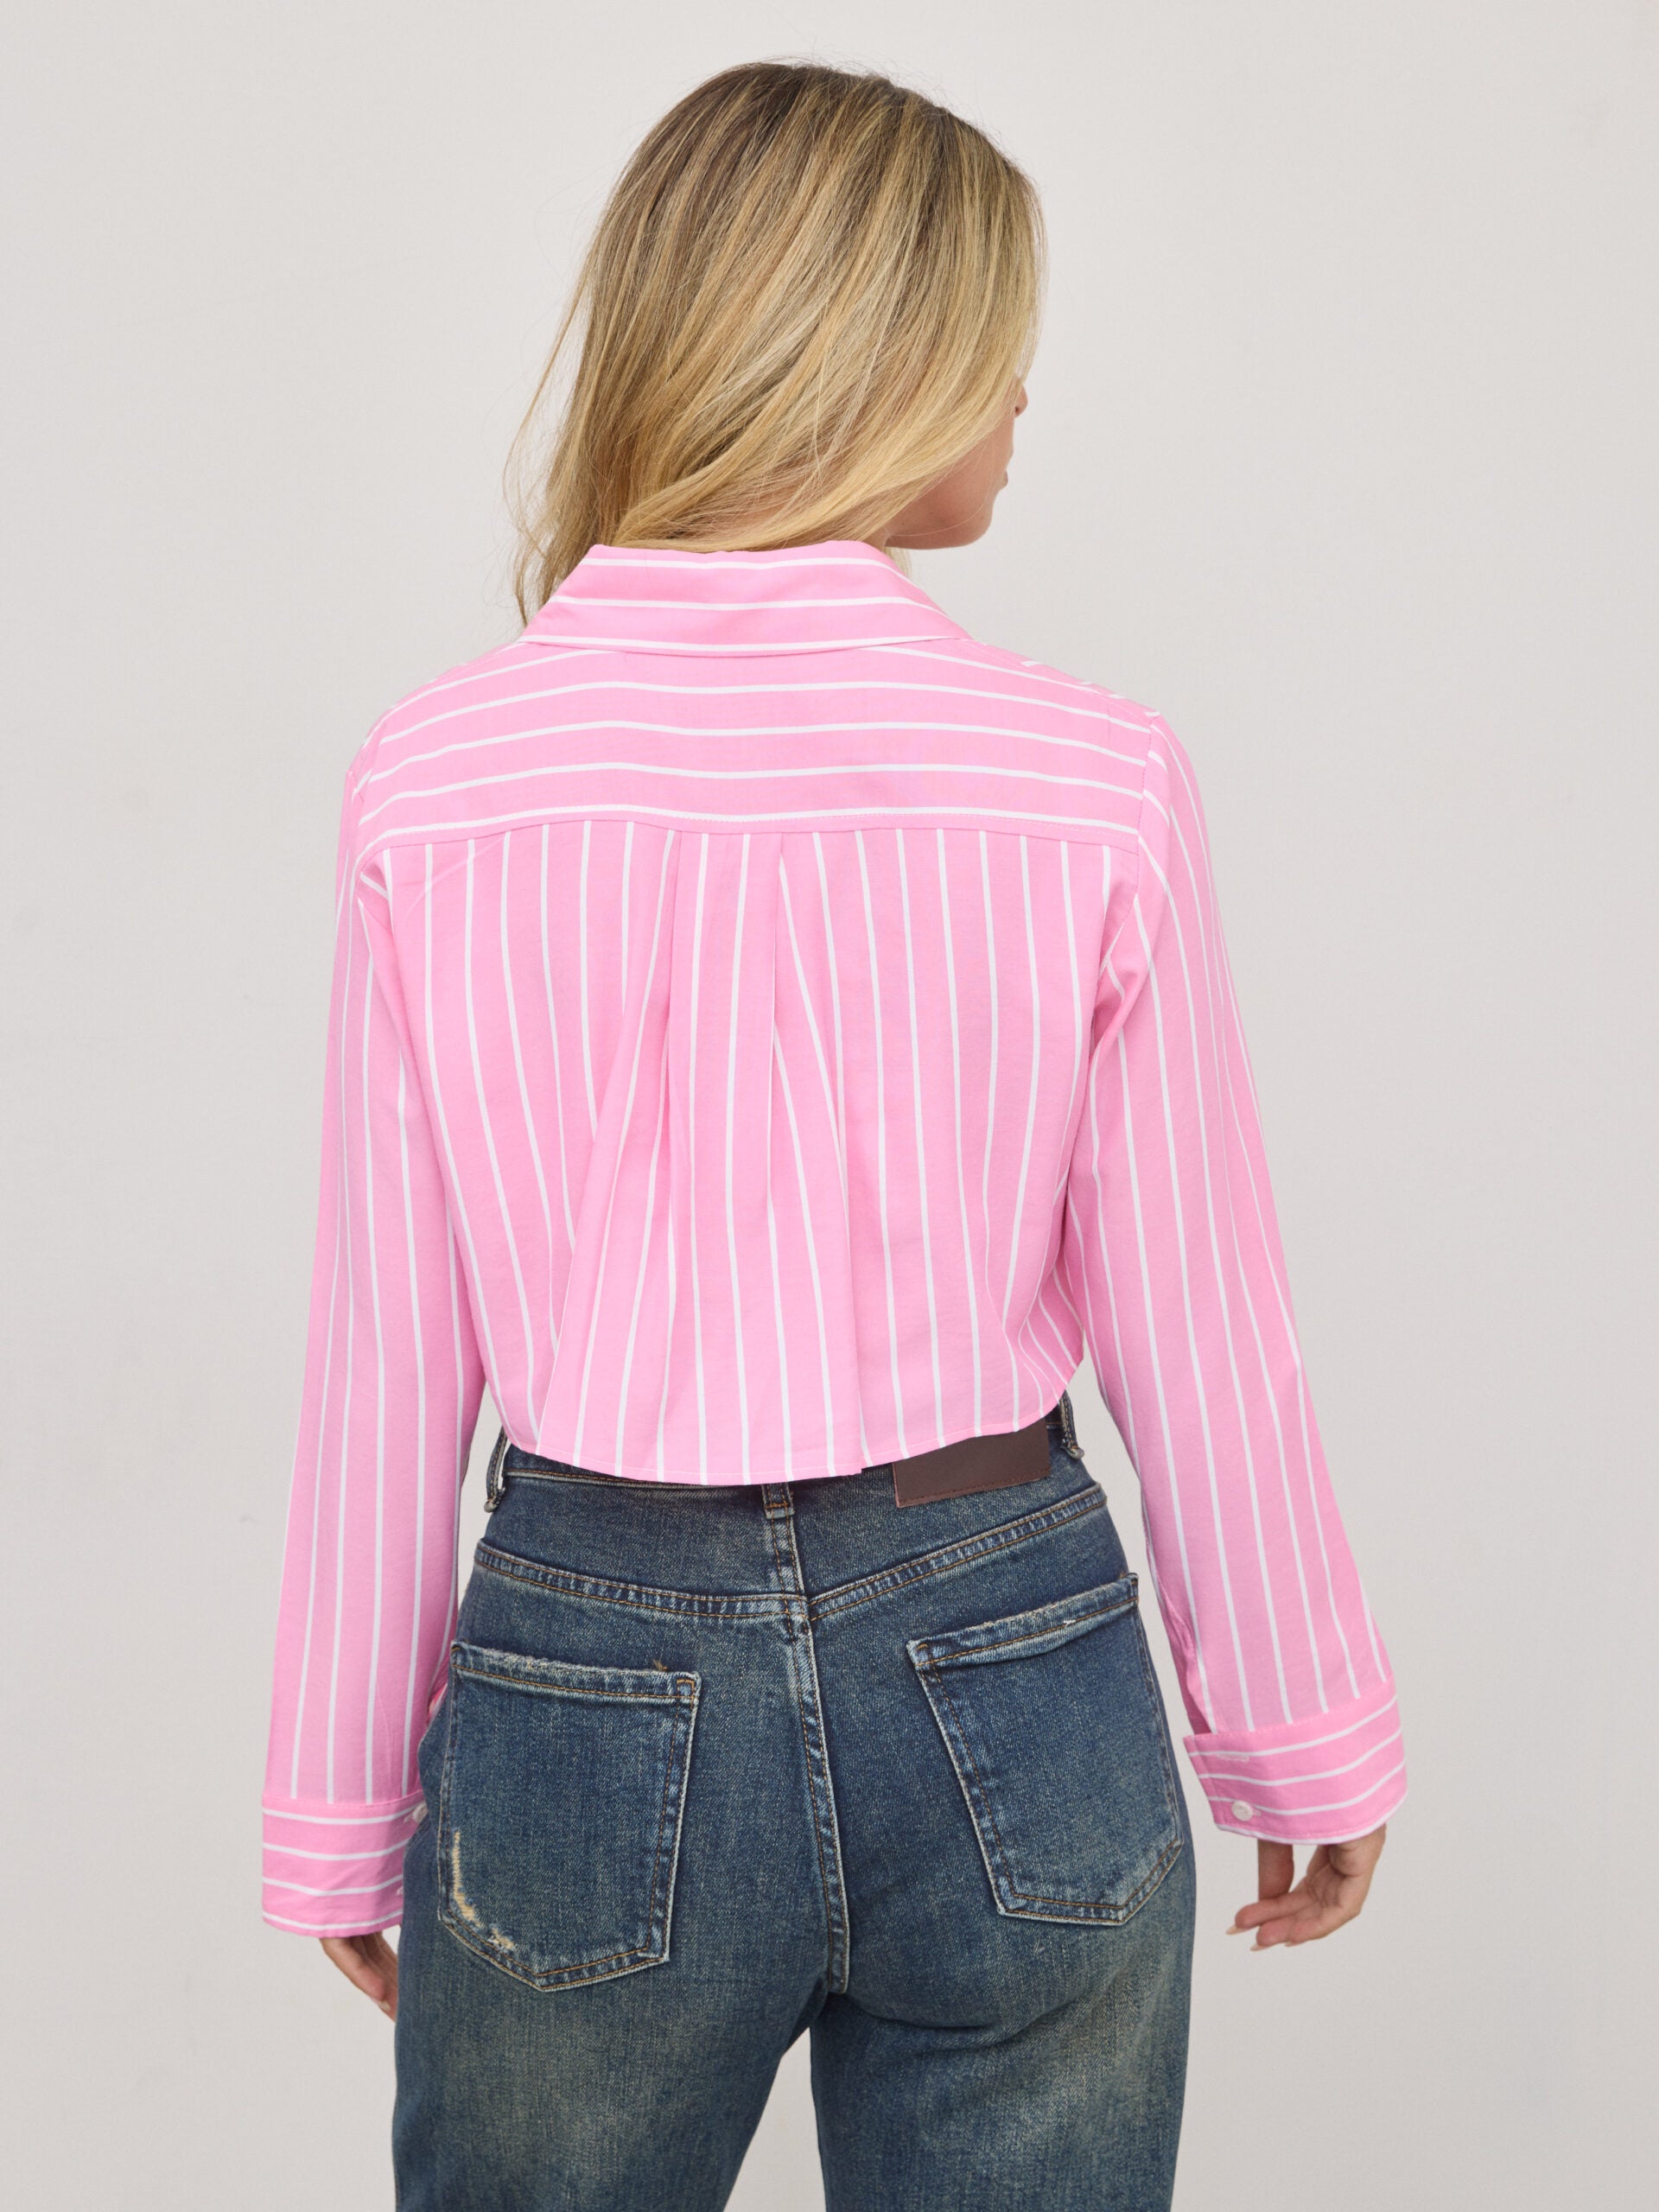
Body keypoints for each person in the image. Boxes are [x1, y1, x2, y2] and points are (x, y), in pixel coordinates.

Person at [261, 59, 1404, 2210]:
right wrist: (1301, 1721)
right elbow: (1201, 1318)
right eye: (993, 344)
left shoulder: (442, 779)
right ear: (866, 360)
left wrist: (337, 1800)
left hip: (584, 1665)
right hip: (1016, 1647)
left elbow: (387, 1353)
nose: (1023, 397)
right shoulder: (1088, 775)